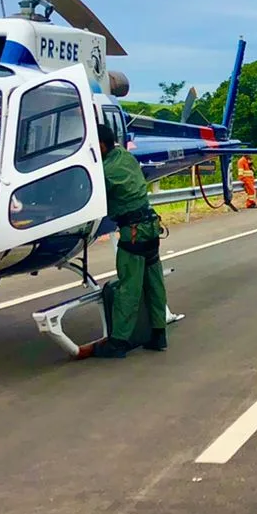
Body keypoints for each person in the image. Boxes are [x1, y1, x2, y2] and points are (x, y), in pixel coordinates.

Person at [95, 124, 167, 358]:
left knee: (129, 288)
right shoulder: (127, 157)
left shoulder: (105, 171)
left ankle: (118, 343)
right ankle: (159, 334)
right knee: (154, 283)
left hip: (132, 232)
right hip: (150, 226)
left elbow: (94, 195)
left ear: (102, 145)